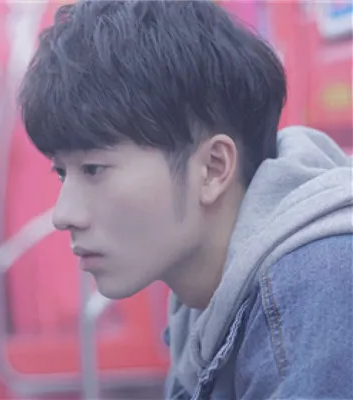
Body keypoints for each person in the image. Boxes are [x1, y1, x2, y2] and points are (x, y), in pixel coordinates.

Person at [18, 1, 353, 398]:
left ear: (212, 168)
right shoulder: (200, 302)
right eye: (61, 172)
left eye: (93, 169)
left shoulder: (320, 289)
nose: (63, 215)